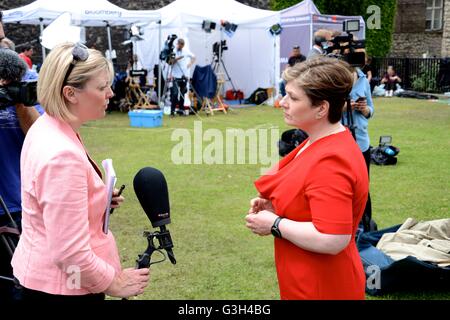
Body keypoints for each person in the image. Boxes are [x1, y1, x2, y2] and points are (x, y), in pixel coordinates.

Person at [11, 42, 150, 301]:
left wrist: (98, 200)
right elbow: (69, 253)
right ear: (70, 93)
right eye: (101, 87)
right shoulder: (61, 153)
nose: (110, 92)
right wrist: (113, 283)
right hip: (62, 289)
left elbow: (51, 204)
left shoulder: (47, 126)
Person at [245, 57, 369, 300]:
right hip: (306, 279)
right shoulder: (316, 142)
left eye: (293, 97)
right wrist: (277, 207)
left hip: (324, 286)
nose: (282, 103)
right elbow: (308, 196)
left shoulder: (332, 160)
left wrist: (275, 224)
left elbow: (333, 238)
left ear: (321, 108)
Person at [0, 26, 41, 302]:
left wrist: (17, 100)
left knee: (22, 288)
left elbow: (42, 136)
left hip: (20, 207)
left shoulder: (24, 76)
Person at [342, 50, 375, 233]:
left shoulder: (363, 78)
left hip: (361, 139)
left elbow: (372, 109)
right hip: (342, 138)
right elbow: (326, 107)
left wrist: (364, 110)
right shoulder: (338, 77)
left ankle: (366, 226)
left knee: (363, 187)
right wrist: (346, 107)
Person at [170, 38, 196, 116]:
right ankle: (172, 110)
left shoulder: (186, 51)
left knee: (182, 93)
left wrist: (190, 64)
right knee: (175, 93)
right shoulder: (173, 51)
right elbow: (170, 62)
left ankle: (181, 110)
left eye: (181, 45)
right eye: (179, 44)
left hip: (184, 76)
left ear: (183, 45)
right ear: (177, 44)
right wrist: (177, 59)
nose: (180, 46)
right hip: (175, 76)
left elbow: (194, 57)